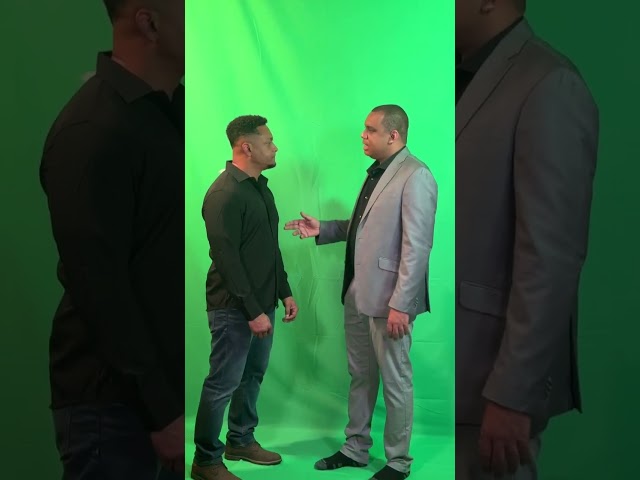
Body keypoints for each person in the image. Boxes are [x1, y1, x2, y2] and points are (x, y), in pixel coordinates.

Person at [39, 0, 185, 478]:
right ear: (150, 22)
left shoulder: (170, 114)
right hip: (114, 410)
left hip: (165, 396)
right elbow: (100, 287)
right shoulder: (93, 130)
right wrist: (160, 411)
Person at [455, 0, 599, 478]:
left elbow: (550, 258)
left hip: (487, 390)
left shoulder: (549, 83)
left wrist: (514, 394)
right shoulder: (450, 74)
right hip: (432, 373)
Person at [285, 105, 437, 480]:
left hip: (390, 300)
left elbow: (417, 247)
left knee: (396, 380)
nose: (363, 135)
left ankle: (398, 462)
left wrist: (402, 304)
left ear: (393, 135)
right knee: (360, 375)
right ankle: (355, 449)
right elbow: (363, 226)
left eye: (370, 130)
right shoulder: (376, 172)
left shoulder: (416, 175)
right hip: (357, 291)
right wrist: (324, 229)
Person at [191, 115, 299, 480]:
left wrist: (284, 291)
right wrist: (253, 311)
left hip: (262, 305)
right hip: (233, 308)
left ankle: (240, 440)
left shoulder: (260, 189)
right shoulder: (224, 194)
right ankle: (206, 461)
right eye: (269, 142)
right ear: (247, 147)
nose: (275, 147)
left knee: (252, 375)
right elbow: (227, 259)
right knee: (222, 384)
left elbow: (269, 247)